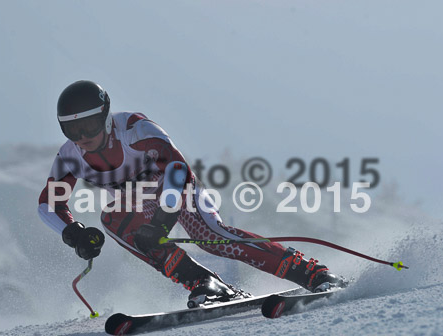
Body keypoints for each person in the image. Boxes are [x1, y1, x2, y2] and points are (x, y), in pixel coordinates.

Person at [38, 80, 345, 304]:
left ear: (105, 116)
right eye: (71, 130)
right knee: (112, 219)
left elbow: (177, 171)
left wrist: (160, 222)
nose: (82, 137)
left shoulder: (136, 130)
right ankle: (205, 283)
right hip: (141, 200)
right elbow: (48, 204)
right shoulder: (70, 155)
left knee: (212, 237)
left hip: (177, 189)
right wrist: (74, 234)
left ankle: (311, 273)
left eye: (89, 126)